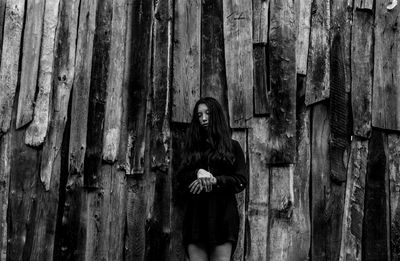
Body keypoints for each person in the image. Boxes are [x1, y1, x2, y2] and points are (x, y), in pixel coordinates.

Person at [177, 97, 247, 261]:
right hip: (196, 217)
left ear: (216, 115)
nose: (203, 118)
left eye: (207, 113)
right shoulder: (191, 148)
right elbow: (180, 179)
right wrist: (197, 173)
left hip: (223, 217)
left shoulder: (233, 147)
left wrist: (215, 180)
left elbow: (241, 180)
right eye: (199, 115)